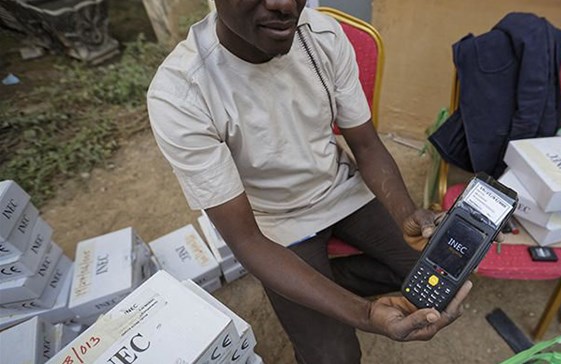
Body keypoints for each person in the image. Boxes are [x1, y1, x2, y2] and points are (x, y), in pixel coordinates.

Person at [146, 1, 473, 363]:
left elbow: (365, 146)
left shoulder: (322, 36)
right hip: (272, 225)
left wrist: (406, 214)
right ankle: (304, 282)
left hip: (340, 189)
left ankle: (321, 280)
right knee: (336, 358)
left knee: (441, 276)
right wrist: (363, 314)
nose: (284, 4)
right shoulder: (181, 93)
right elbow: (246, 239)